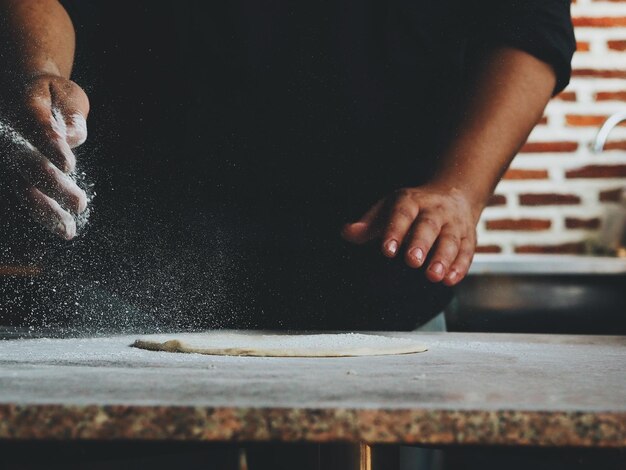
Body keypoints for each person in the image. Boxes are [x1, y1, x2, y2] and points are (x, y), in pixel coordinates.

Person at [0, 1, 575, 335]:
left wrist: (459, 188)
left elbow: (524, 25)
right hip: (131, 273)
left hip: (375, 281)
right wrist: (40, 71)